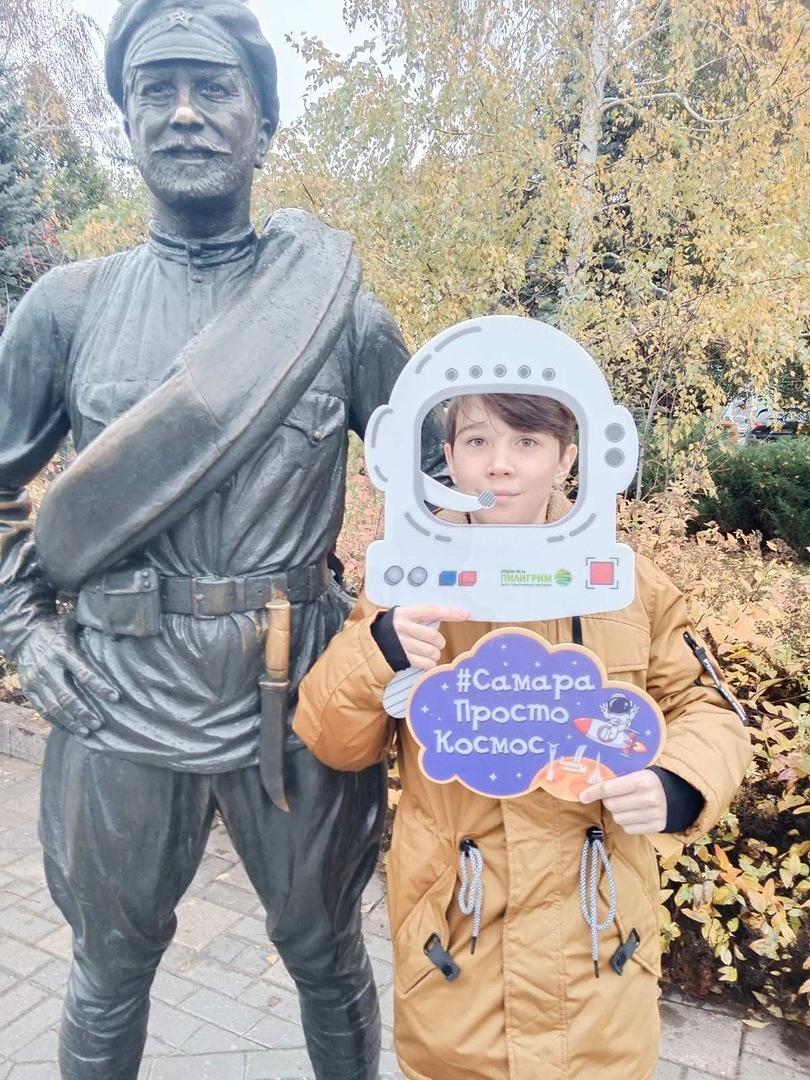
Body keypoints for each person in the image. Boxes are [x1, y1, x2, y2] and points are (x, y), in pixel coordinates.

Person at [0, 2, 444, 1077]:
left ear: (263, 125)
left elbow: (448, 488)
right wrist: (21, 630)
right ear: (128, 123)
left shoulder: (337, 316)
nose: (185, 113)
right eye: (156, 91)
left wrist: (409, 632)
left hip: (299, 688)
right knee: (109, 966)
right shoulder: (66, 308)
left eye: (214, 88)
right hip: (117, 686)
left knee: (324, 953)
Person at [293, 392, 753, 1080]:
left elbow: (708, 708)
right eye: (478, 441)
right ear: (449, 459)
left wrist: (679, 783)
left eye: (528, 443)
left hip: (602, 962)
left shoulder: (625, 584)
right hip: (458, 959)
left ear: (567, 459)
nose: (500, 465)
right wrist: (379, 647)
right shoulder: (410, 582)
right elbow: (332, 739)